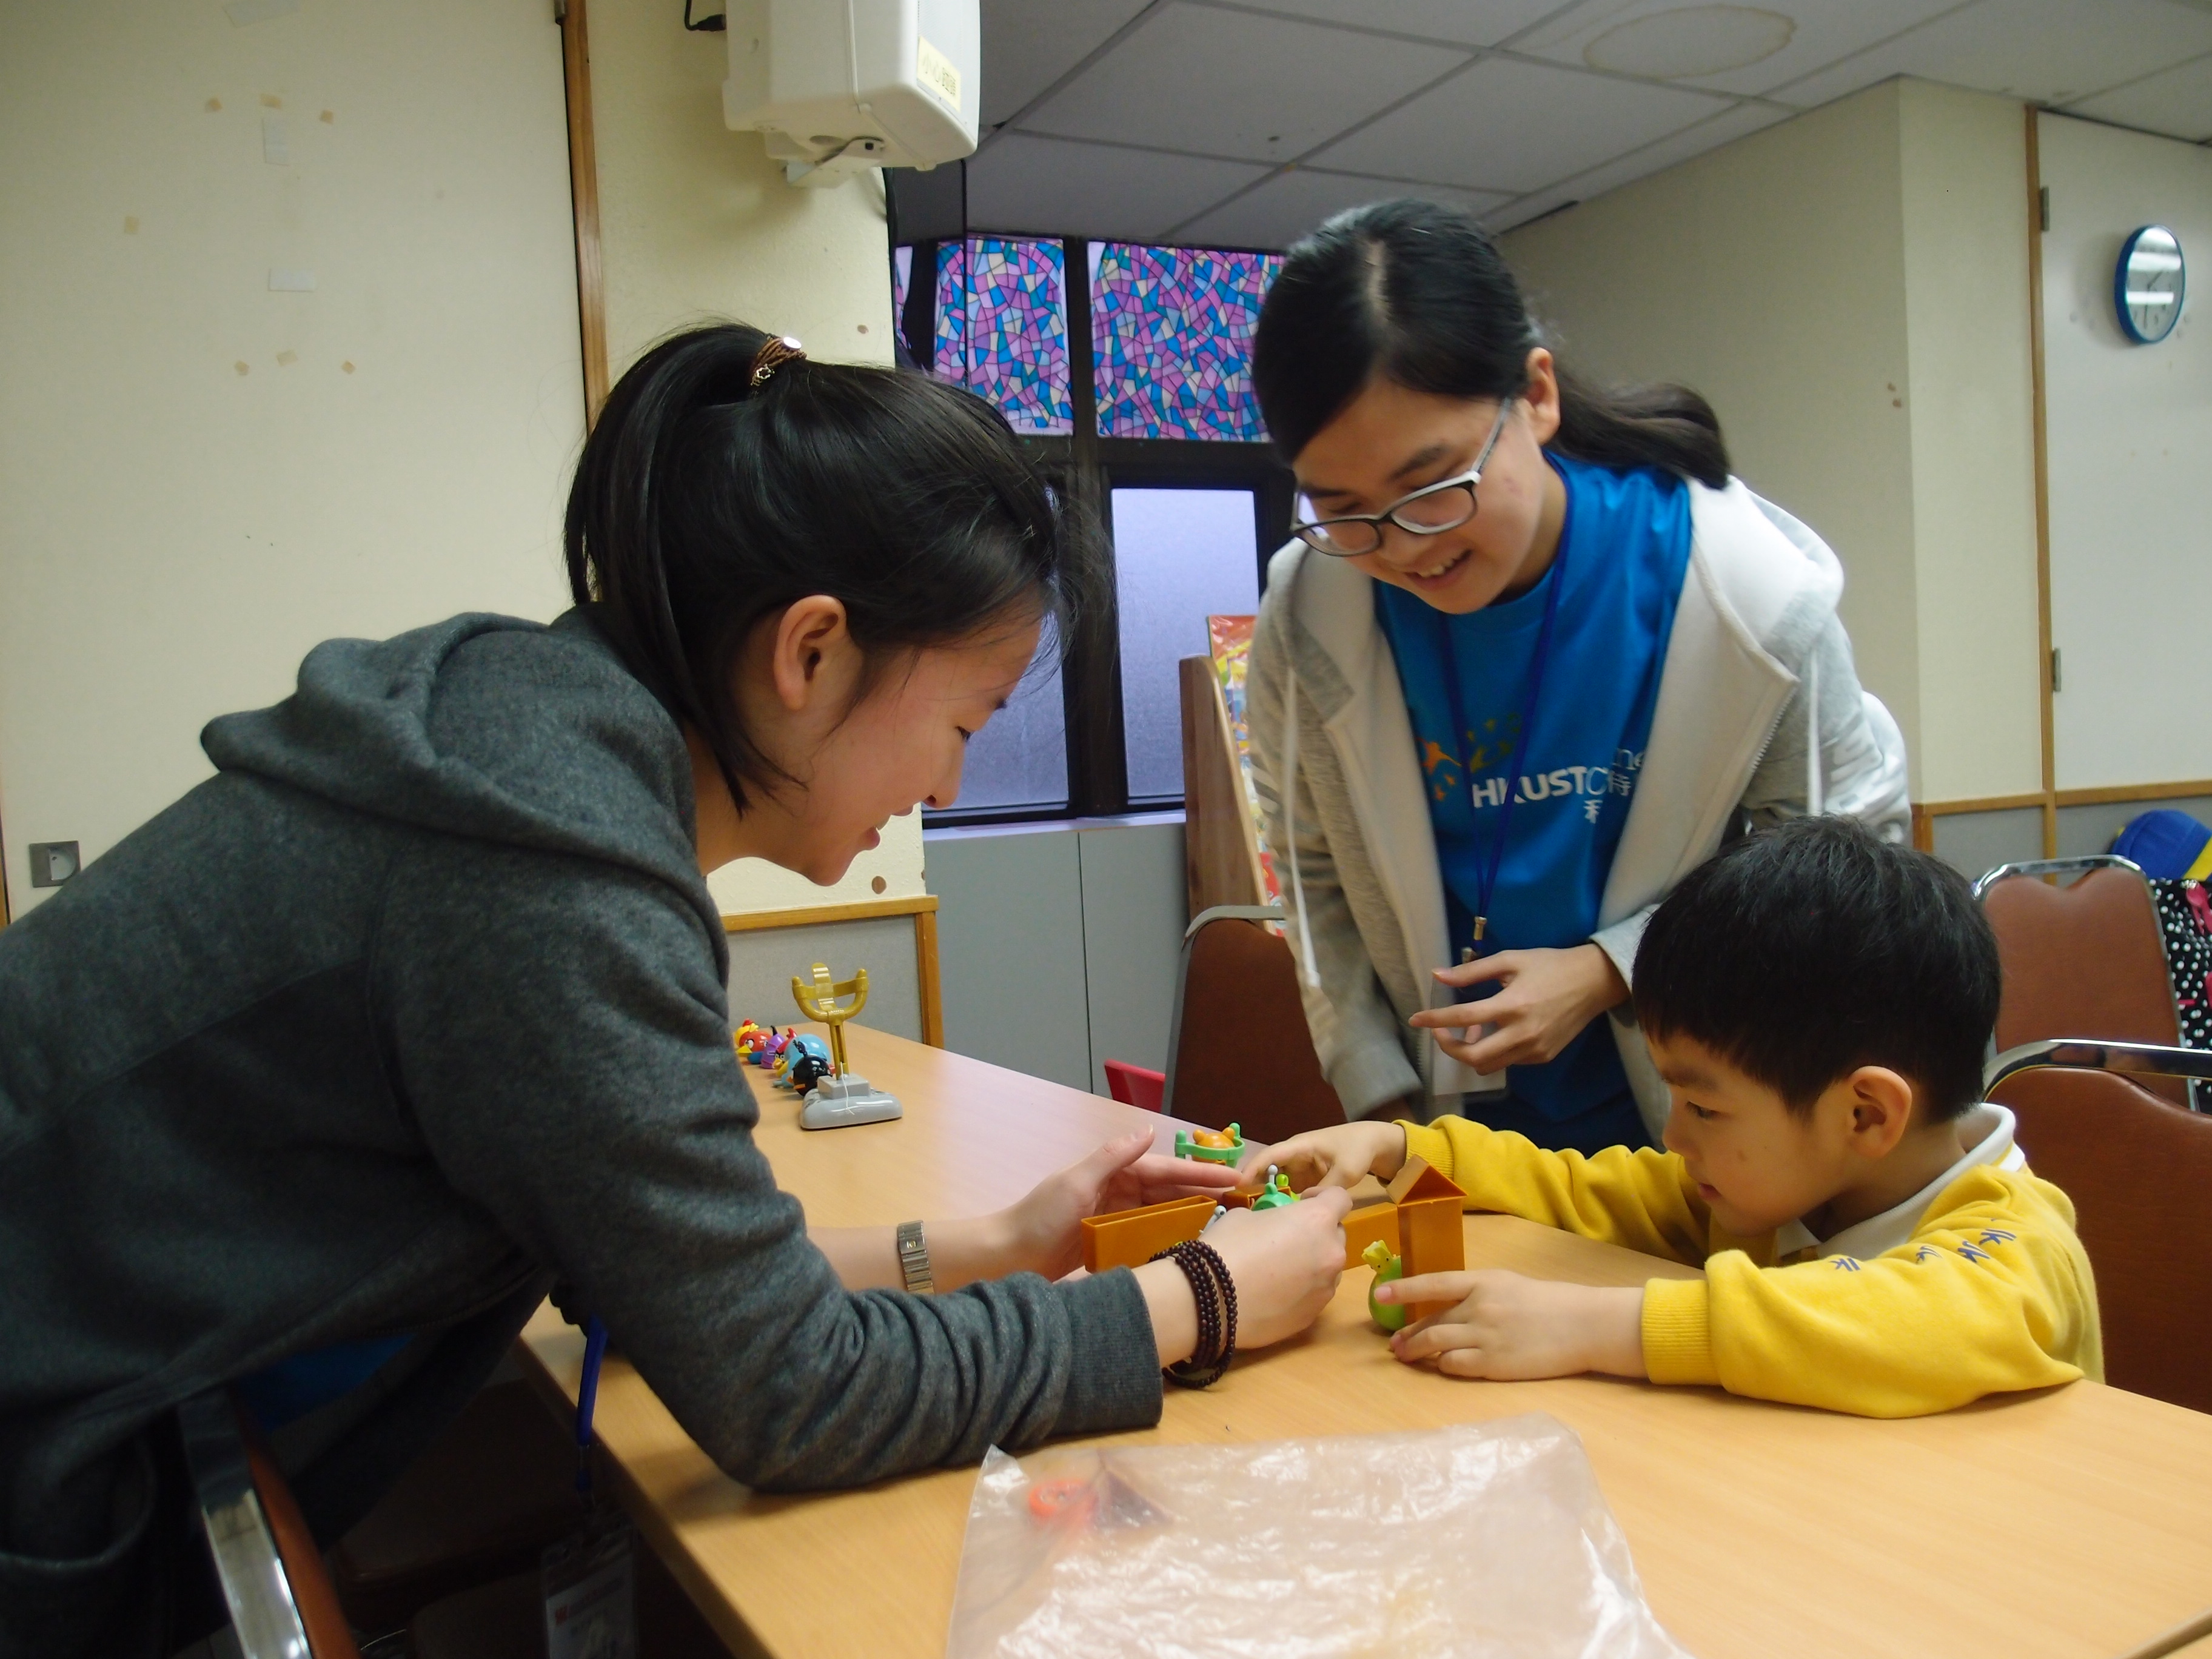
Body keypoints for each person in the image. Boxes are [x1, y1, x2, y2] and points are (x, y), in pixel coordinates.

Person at [0, 324, 1351, 1658]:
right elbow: (792, 1393)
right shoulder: (549, 867)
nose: (945, 788)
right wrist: (1195, 1300)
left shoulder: (527, 745)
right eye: (963, 723)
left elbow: (668, 1292)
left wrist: (1006, 1238)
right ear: (810, 651)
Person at [1245, 199, 1909, 1155]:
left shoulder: (1741, 592)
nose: (1403, 547)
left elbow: (1843, 871)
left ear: (1536, 395)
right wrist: (1390, 1117)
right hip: (1460, 1141)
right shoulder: (1313, 615)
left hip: (1720, 1143)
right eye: (1345, 510)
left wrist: (1613, 970)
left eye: (1434, 487)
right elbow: (1313, 878)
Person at [1242, 817, 2103, 1417]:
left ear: (1866, 1114)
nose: (1674, 1136)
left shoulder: (2019, 1244)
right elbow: (1583, 1189)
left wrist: (1597, 1327)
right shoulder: (1776, 1193)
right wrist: (1402, 1147)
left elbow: (1912, 1323)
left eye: (1703, 1106)